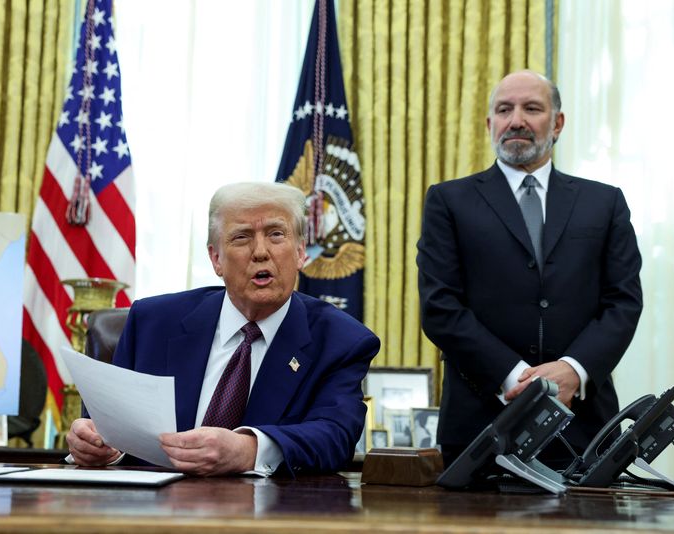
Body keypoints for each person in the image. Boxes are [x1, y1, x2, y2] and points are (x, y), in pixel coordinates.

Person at [67, 181, 380, 476]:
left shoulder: (341, 341)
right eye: (242, 237)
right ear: (216, 258)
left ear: (300, 252)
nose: (260, 252)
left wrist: (248, 450)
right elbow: (109, 425)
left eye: (276, 235)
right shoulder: (152, 323)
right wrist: (96, 444)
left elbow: (335, 436)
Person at [416, 70, 643, 468]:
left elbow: (623, 303)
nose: (516, 120)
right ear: (490, 124)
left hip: (586, 429)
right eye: (504, 110)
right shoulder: (448, 201)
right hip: (481, 428)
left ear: (557, 123)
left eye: (531, 108)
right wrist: (517, 378)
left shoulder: (604, 203)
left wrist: (574, 370)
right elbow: (439, 307)